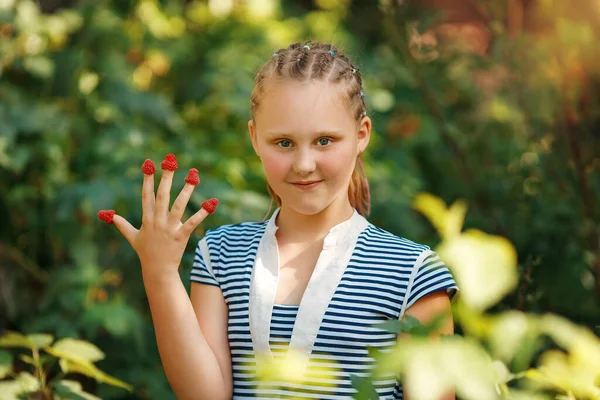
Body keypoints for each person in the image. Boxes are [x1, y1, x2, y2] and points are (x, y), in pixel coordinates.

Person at [105, 41, 459, 400]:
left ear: (361, 135)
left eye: (324, 140)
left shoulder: (413, 273)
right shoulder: (221, 254)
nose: (304, 164)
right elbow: (204, 396)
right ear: (255, 138)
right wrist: (160, 273)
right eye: (284, 143)